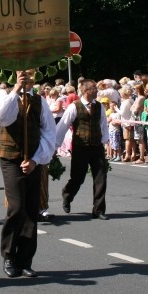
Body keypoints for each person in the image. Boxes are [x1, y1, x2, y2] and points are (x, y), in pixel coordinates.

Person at [0, 69, 56, 278]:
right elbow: (0, 117)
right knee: (16, 208)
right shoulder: (3, 95)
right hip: (10, 158)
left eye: (30, 74)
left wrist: (36, 160)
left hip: (33, 160)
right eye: (22, 74)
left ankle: (25, 260)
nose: (27, 77)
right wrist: (16, 89)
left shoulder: (40, 101)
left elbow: (49, 133)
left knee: (30, 210)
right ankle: (8, 255)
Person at [56, 79, 109, 220]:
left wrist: (104, 141)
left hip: (96, 147)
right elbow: (63, 125)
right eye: (94, 89)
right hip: (80, 147)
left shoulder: (99, 106)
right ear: (86, 91)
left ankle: (98, 210)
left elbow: (103, 124)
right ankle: (67, 194)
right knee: (78, 178)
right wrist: (54, 145)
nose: (96, 91)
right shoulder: (74, 107)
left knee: (101, 178)